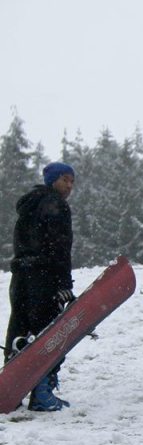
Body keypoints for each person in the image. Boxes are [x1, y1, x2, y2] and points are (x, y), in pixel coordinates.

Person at [3, 162, 76, 411]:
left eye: (72, 181)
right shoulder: (56, 205)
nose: (69, 186)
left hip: (21, 275)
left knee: (19, 328)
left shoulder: (27, 206)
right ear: (53, 180)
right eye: (65, 179)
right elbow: (60, 247)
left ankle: (9, 388)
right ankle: (42, 393)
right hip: (44, 276)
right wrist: (64, 284)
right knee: (48, 332)